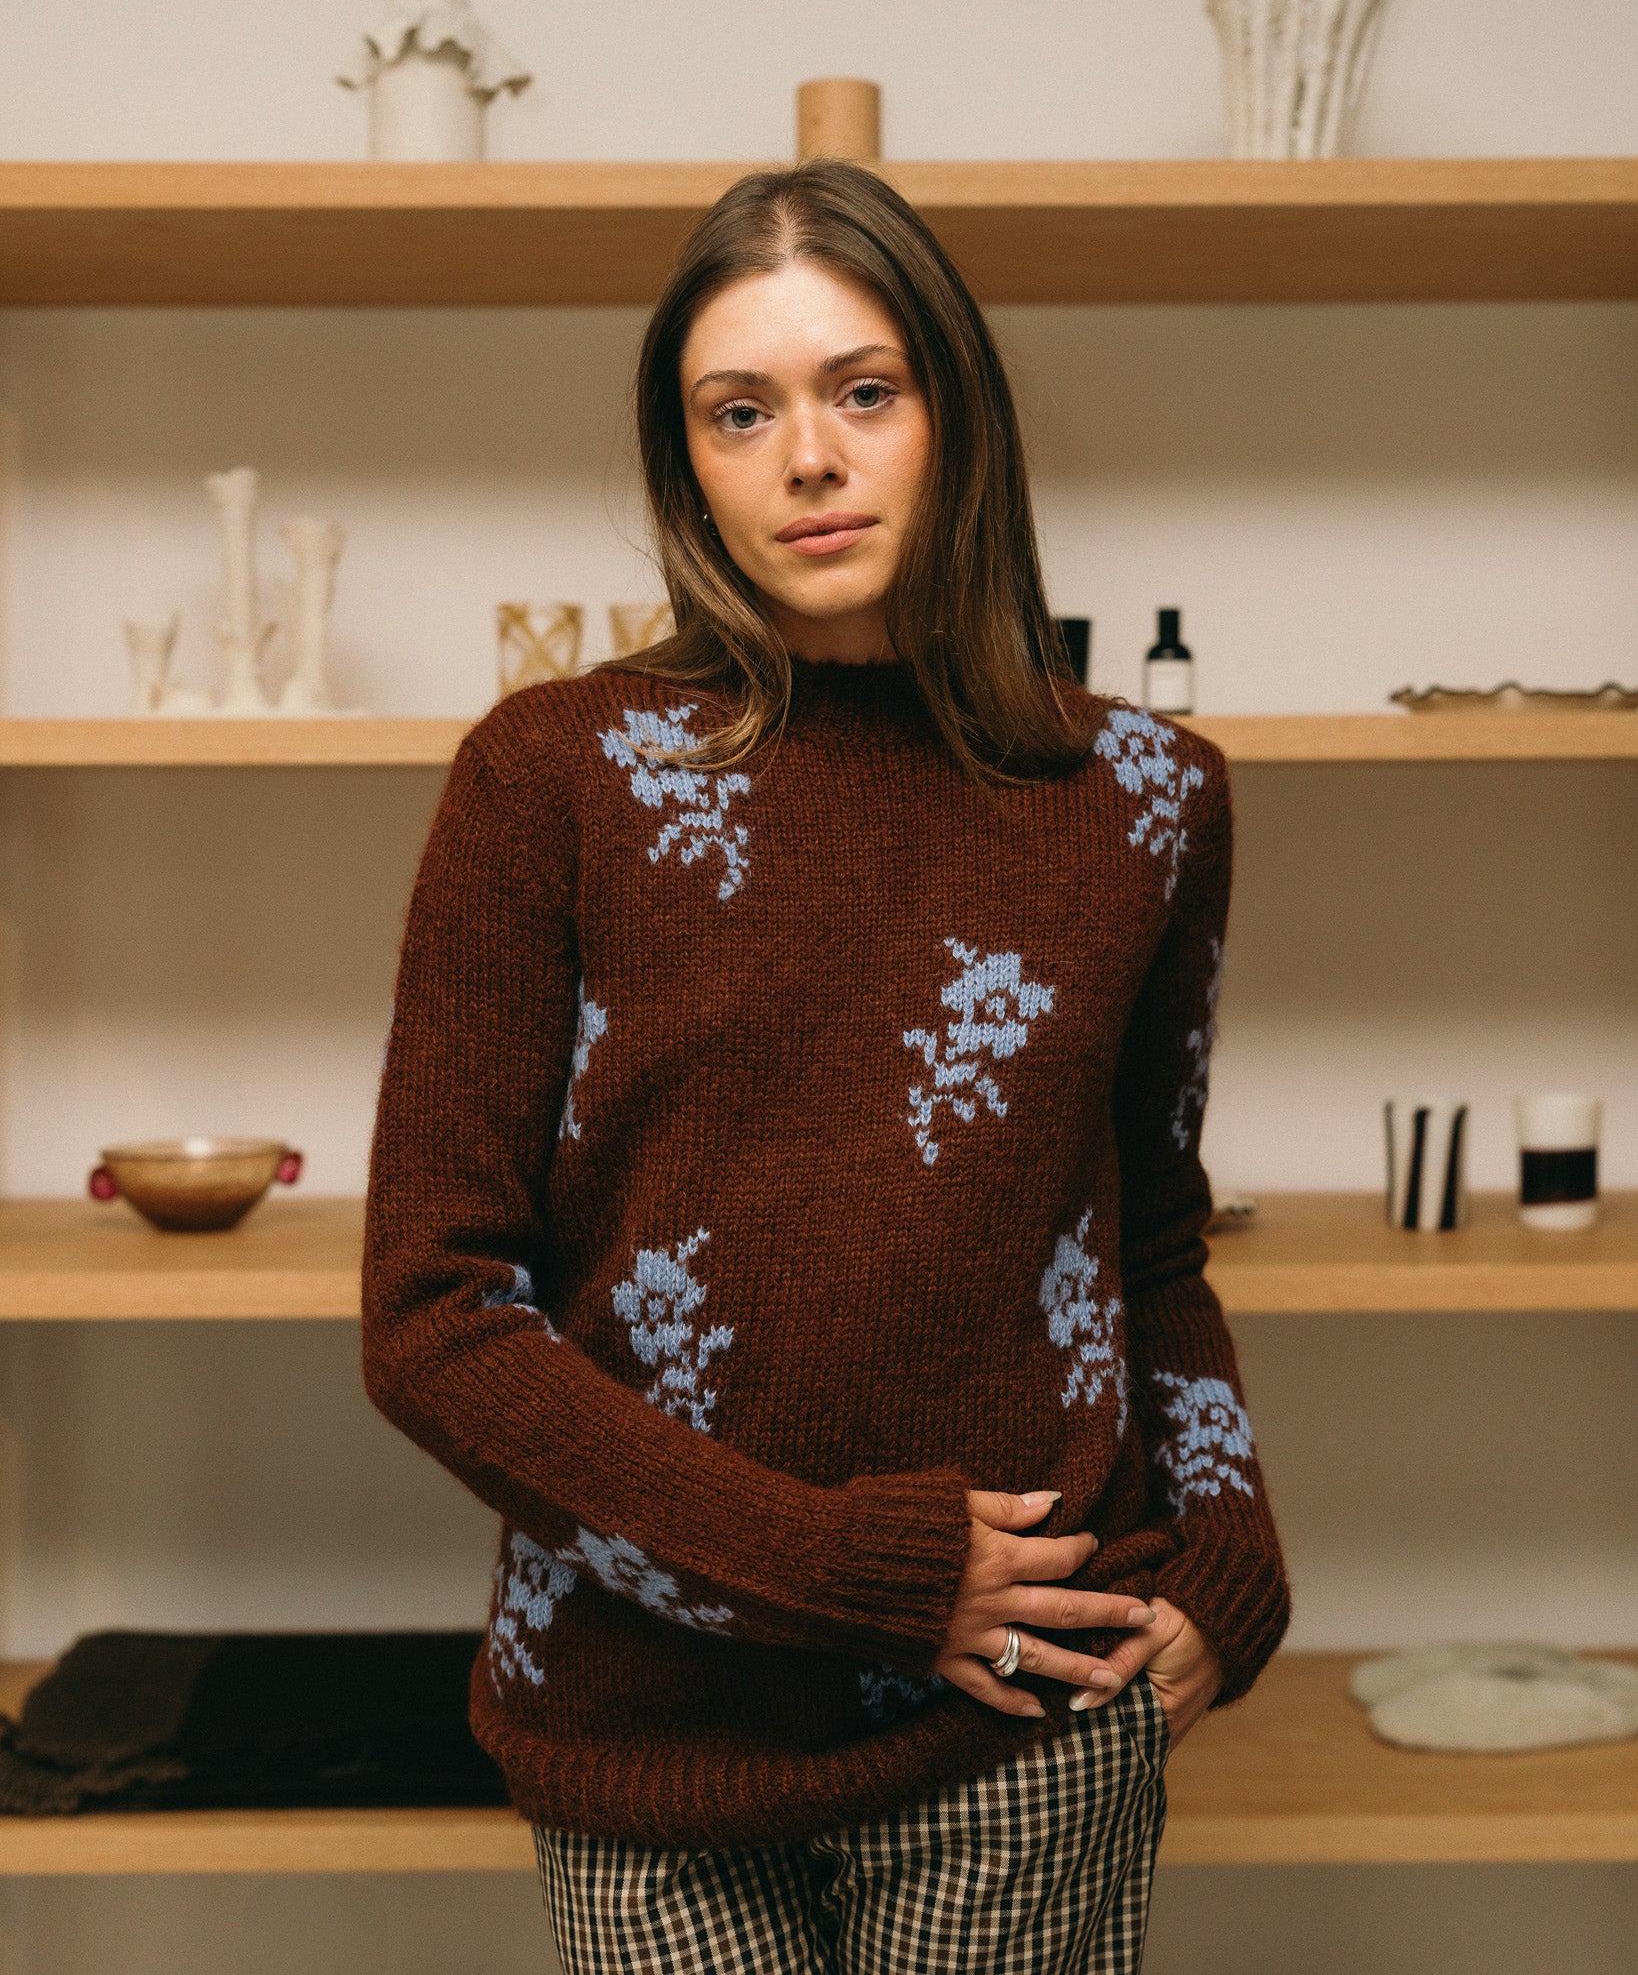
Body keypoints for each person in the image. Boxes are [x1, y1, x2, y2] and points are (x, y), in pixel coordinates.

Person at [362, 160, 1291, 1974]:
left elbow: (1151, 1247)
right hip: (640, 1724)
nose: (808, 457)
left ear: (955, 412)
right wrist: (843, 1572)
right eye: (740, 410)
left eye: (865, 390)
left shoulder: (1147, 799)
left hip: (1026, 1714)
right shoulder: (550, 774)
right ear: (684, 460)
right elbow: (434, 1316)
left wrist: (1227, 1549)